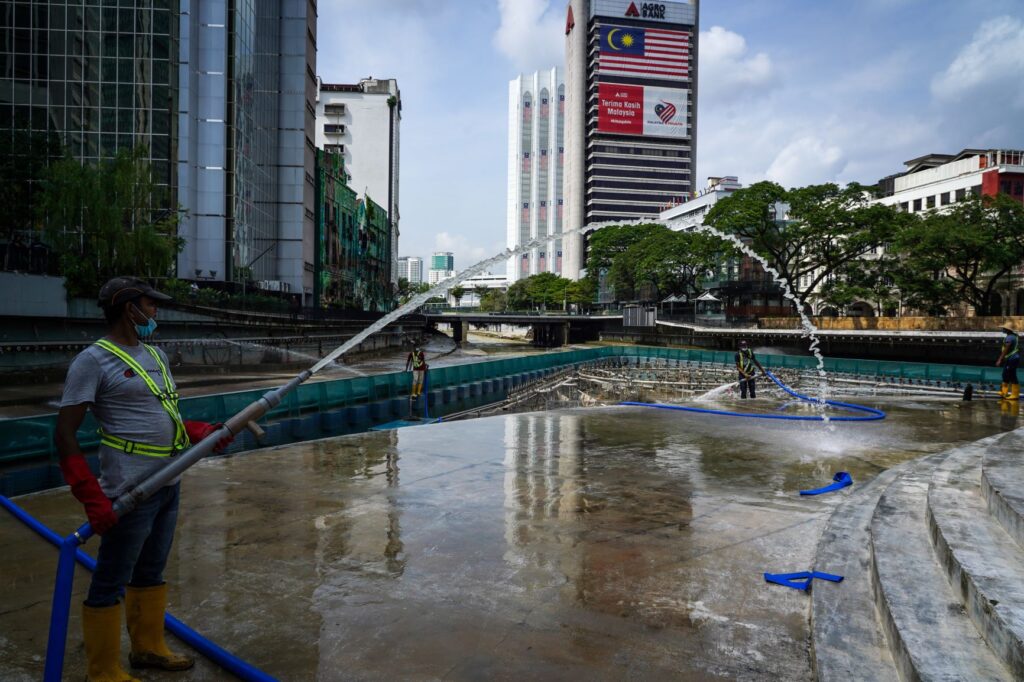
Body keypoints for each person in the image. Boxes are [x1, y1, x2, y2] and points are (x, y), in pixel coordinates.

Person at [54, 276, 233, 681]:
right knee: (110, 580)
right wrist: (90, 495)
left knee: (151, 571)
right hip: (130, 492)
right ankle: (102, 671)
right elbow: (64, 432)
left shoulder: (156, 356)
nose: (156, 312)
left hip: (168, 482)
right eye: (150, 304)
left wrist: (197, 431)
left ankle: (148, 648)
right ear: (127, 307)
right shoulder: (93, 361)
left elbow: (160, 417)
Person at [995, 321, 1020, 400]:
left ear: (1007, 329)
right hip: (1009, 358)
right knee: (1005, 374)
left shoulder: (1010, 337)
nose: (1002, 329)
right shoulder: (1013, 336)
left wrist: (999, 359)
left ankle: (1015, 394)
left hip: (1012, 358)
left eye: (1004, 328)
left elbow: (1006, 349)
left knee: (1012, 375)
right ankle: (1003, 392)